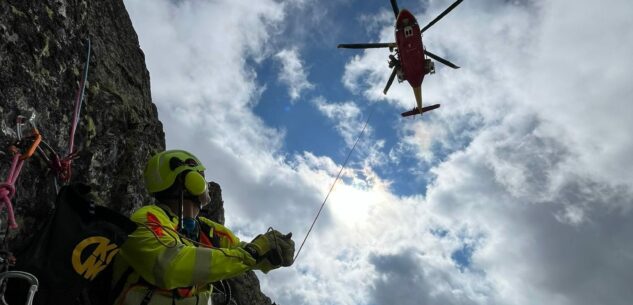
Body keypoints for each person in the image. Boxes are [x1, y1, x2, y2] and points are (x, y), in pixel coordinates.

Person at [111, 150, 294, 305]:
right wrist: (252, 254)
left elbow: (242, 252)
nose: (205, 185)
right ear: (190, 181)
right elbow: (169, 266)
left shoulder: (209, 231)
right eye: (201, 177)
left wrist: (270, 253)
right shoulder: (148, 218)